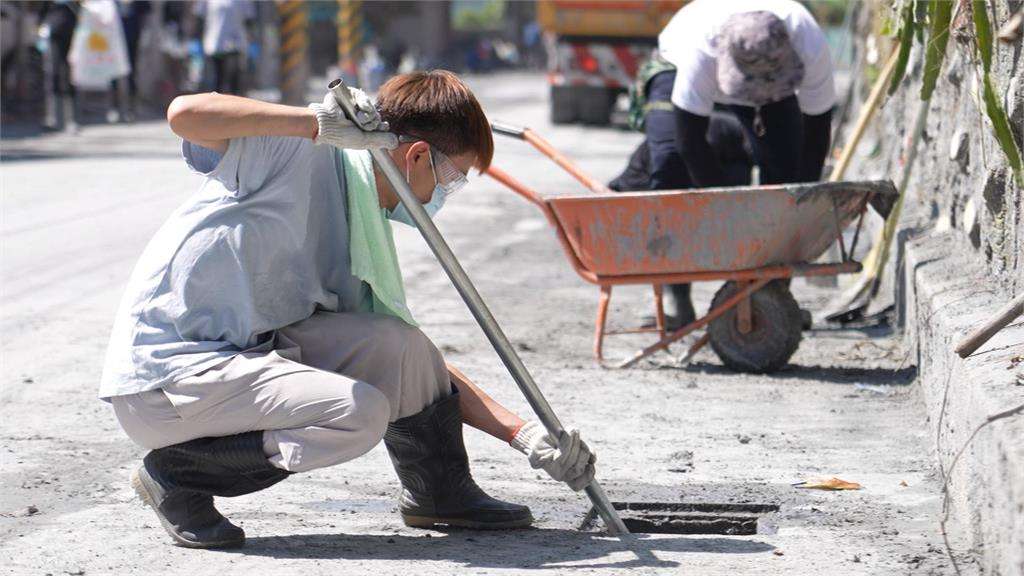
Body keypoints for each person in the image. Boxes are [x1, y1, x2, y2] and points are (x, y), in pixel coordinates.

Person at [100, 70, 596, 549]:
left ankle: (439, 492)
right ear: (418, 156)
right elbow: (185, 113)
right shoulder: (302, 151)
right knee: (356, 413)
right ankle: (176, 477)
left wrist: (525, 435)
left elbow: (421, 371)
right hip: (168, 382)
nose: (446, 193)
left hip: (245, 360)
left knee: (402, 346)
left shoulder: (361, 225)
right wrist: (314, 123)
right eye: (453, 178)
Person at [641, 0, 836, 328]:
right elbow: (690, 142)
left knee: (786, 169)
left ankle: (772, 293)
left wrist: (799, 207)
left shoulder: (808, 43)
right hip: (675, 62)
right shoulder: (699, 52)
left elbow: (815, 138)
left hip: (774, 71)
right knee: (668, 164)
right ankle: (676, 297)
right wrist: (730, 213)